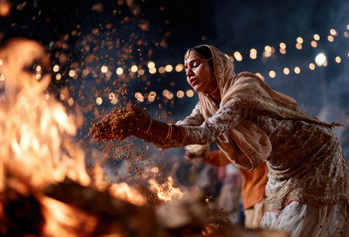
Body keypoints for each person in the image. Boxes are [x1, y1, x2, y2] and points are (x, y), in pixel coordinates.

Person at [91, 44, 349, 237]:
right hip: (281, 168)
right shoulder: (206, 104)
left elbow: (204, 133)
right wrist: (142, 131)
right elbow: (182, 130)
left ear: (216, 66)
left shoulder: (240, 92)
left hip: (315, 154)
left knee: (299, 225)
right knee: (275, 228)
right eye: (186, 68)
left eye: (196, 64)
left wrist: (150, 126)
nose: (189, 72)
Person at [185, 146, 267, 228]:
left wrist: (200, 153)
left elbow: (221, 158)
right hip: (251, 195)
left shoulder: (251, 144)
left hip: (262, 195)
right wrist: (201, 154)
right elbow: (221, 157)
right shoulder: (240, 147)